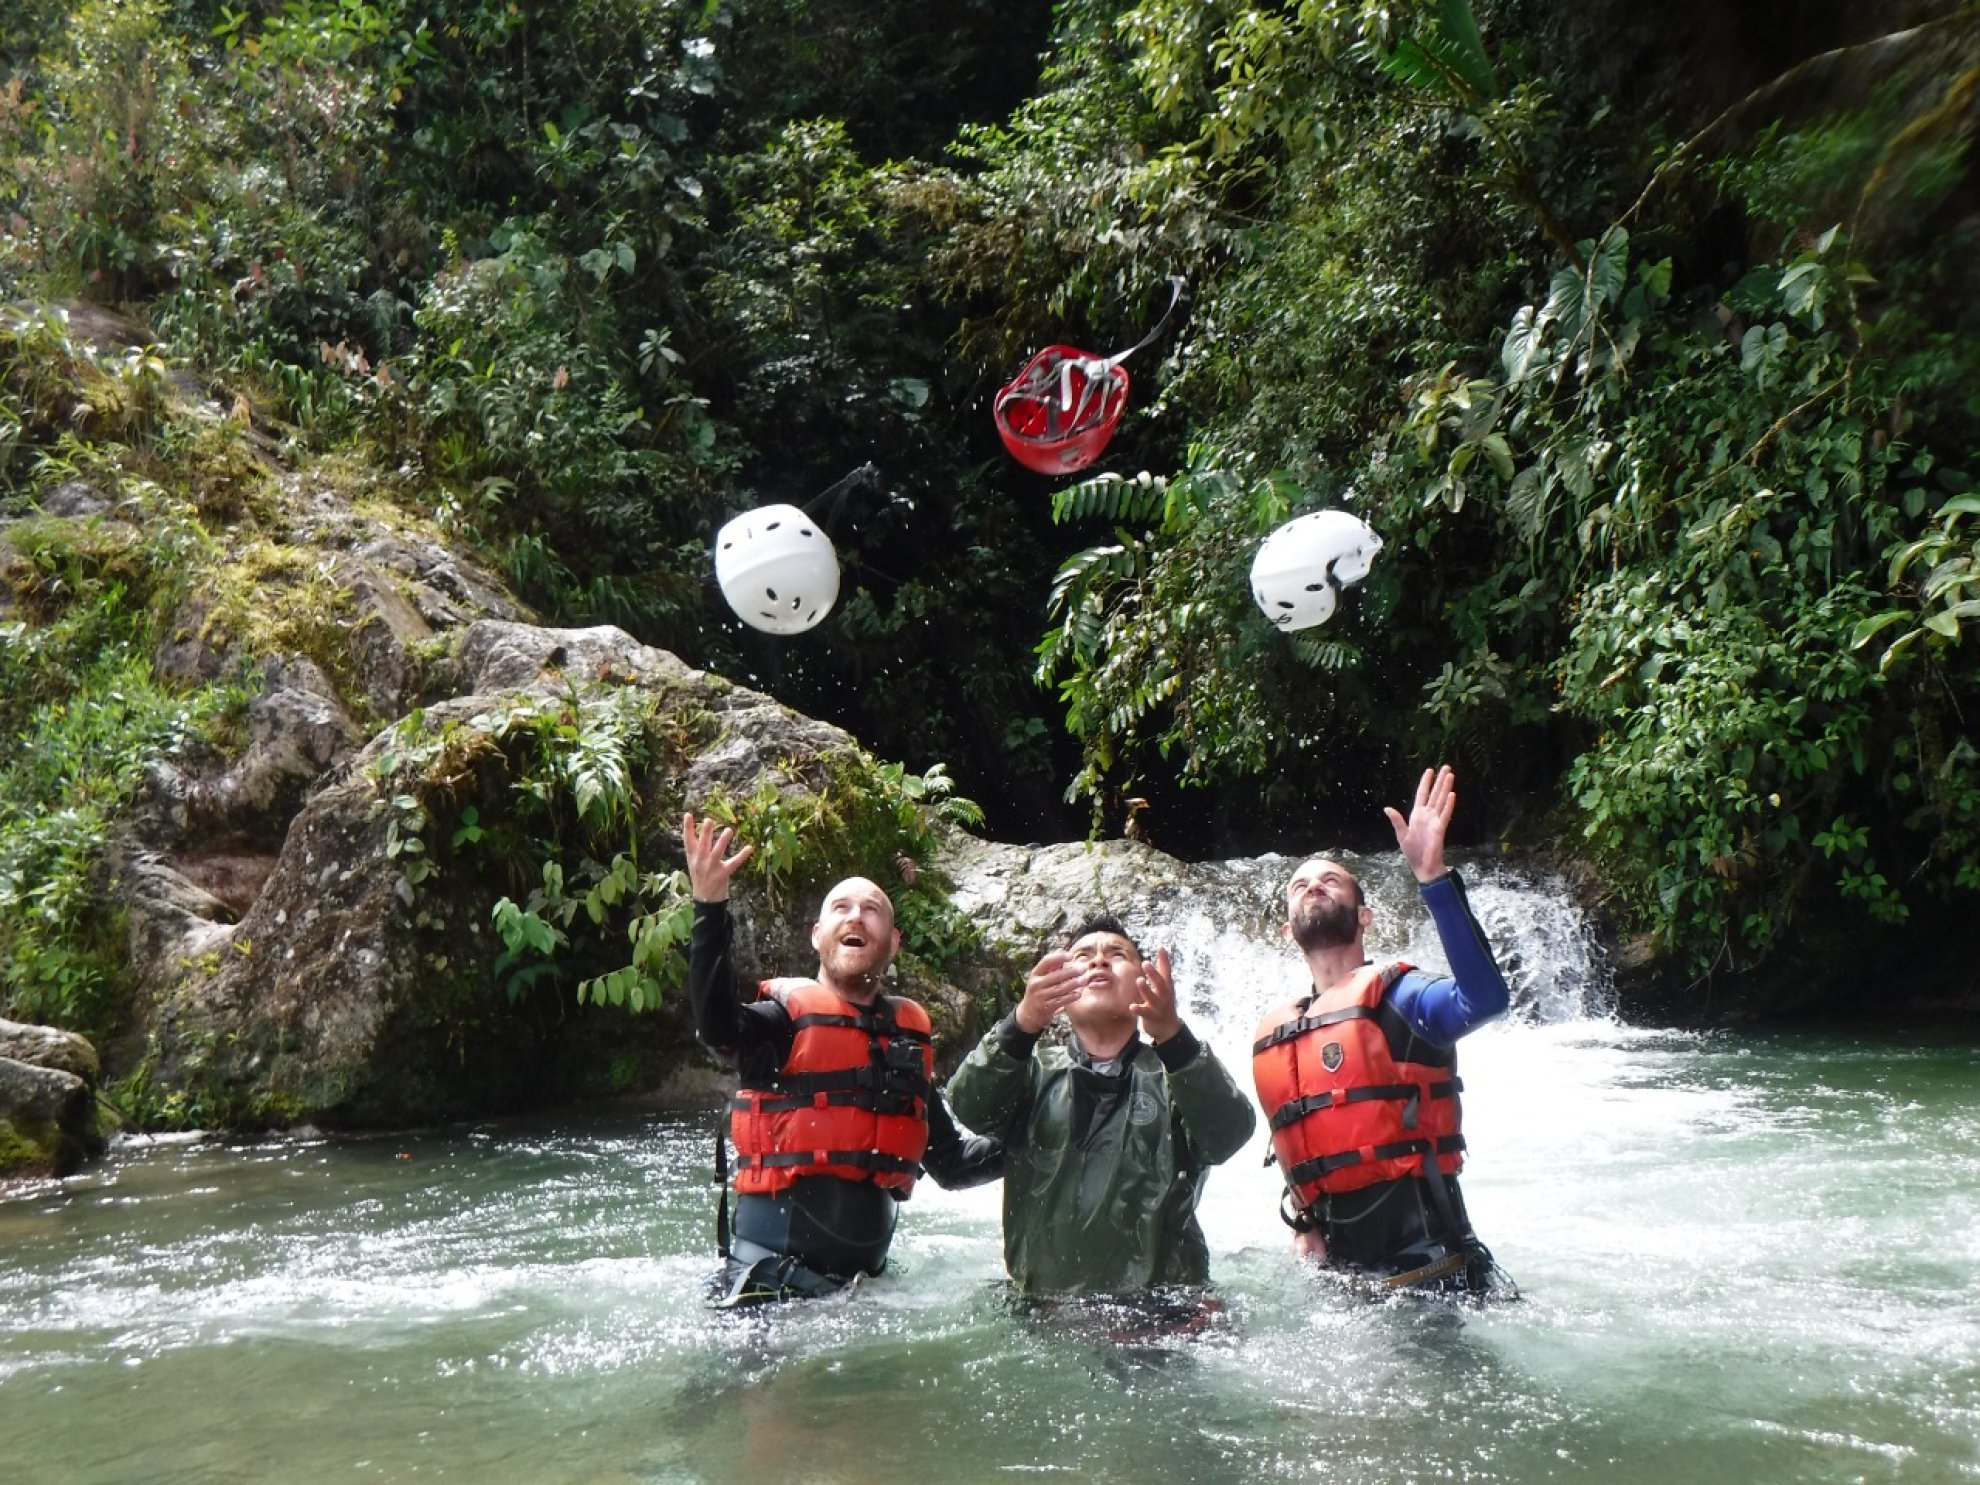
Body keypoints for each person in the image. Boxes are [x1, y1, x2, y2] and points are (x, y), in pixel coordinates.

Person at [683, 813, 1001, 1306]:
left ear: (892, 943)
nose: (856, 916)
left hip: (864, 1302)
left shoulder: (906, 1049)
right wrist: (710, 908)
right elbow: (716, 1027)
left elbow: (954, 1164)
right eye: (842, 907)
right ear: (817, 935)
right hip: (765, 1295)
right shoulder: (777, 1023)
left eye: (872, 910)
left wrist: (1041, 1136)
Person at [1251, 765, 1515, 1297]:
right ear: (1286, 930)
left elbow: (1485, 1000)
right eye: (1300, 884)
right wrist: (1304, 1223)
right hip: (1343, 1290)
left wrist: (1433, 878)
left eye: (1330, 880)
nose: (1314, 887)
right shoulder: (1281, 1033)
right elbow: (1301, 1146)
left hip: (1434, 1279)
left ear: (1365, 915)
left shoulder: (1402, 997)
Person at [945, 913, 1257, 1299]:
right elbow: (969, 1106)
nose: (1098, 960)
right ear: (1060, 988)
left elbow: (1229, 1134)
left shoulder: (1177, 1074)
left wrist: (1174, 1036)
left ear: (1144, 986)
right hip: (1046, 1313)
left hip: (1160, 1317)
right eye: (1083, 955)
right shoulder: (1031, 1074)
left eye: (1117, 954)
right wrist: (1022, 1022)